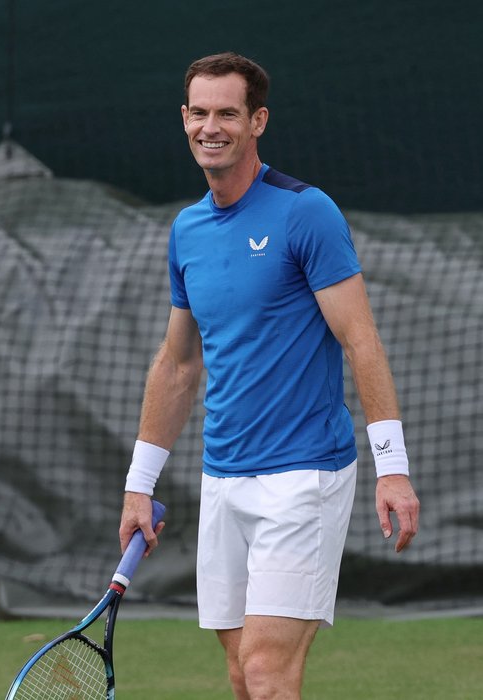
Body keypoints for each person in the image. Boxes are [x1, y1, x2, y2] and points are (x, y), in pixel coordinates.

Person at [118, 52, 420, 700]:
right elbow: (177, 365)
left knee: (265, 671)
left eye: (227, 112)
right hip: (223, 477)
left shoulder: (305, 213)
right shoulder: (187, 230)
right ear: (183, 118)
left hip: (303, 475)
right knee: (243, 677)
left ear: (257, 120)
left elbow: (360, 340)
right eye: (198, 112)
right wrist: (138, 485)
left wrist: (391, 467)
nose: (210, 126)